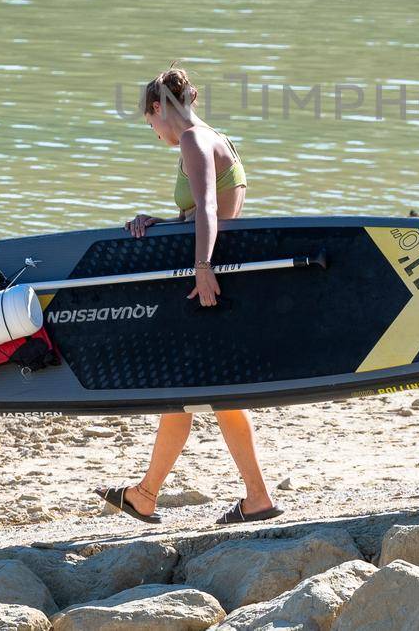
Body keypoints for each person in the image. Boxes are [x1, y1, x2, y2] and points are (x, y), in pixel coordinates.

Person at [94, 65, 282, 524]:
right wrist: (162, 222)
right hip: (223, 274)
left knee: (199, 392)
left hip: (214, 279)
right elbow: (204, 212)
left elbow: (213, 211)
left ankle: (250, 498)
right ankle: (147, 495)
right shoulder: (213, 138)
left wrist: (201, 269)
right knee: (193, 393)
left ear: (159, 109)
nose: (155, 133)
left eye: (150, 123)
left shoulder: (195, 141)